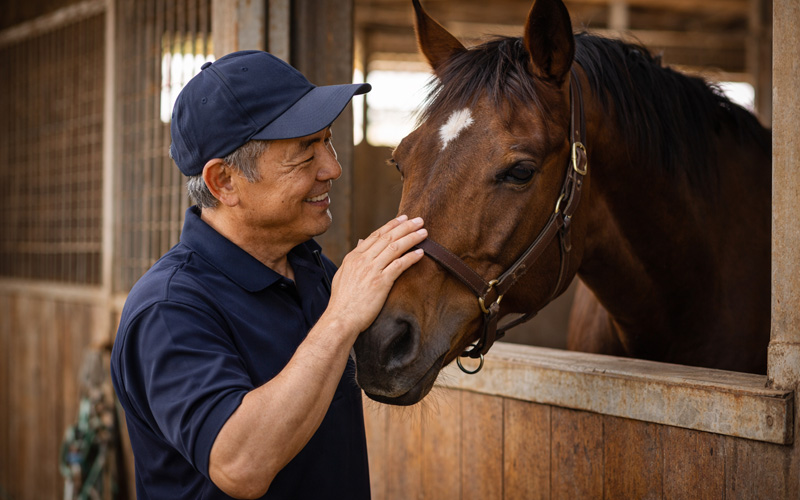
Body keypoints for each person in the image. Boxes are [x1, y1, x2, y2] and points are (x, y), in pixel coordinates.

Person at [110, 50, 427, 499]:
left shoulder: (313, 270)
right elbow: (240, 465)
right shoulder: (169, 308)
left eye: (328, 142)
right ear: (224, 182)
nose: (332, 168)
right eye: (304, 152)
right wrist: (339, 319)